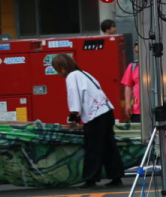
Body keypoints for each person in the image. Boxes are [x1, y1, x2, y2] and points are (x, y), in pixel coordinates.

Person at [50, 54, 124, 188]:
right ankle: (116, 177)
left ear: (62, 67)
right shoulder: (84, 74)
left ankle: (91, 179)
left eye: (57, 69)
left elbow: (74, 97)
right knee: (109, 146)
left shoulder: (72, 77)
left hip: (96, 115)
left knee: (93, 147)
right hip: (107, 112)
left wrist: (73, 116)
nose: (57, 73)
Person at [120, 58, 139, 125]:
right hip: (137, 108)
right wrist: (127, 104)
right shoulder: (133, 66)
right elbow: (128, 86)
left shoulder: (152, 66)